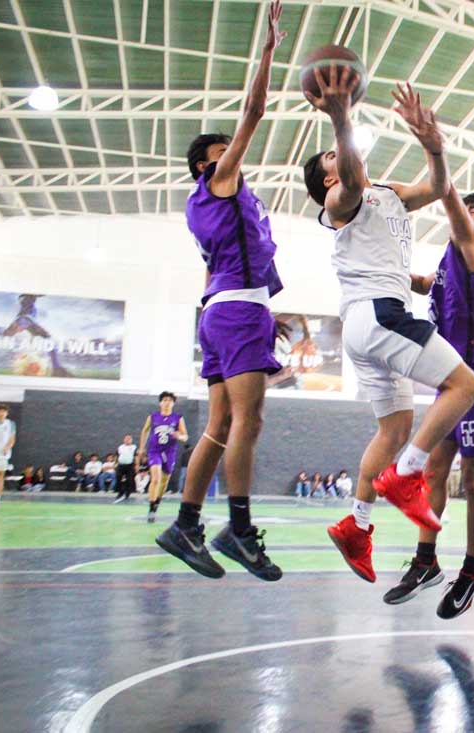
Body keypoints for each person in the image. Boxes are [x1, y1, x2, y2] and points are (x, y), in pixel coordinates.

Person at [303, 74, 474, 590]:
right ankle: (408, 474)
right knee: (466, 386)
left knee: (394, 428)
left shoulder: (387, 194)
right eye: (330, 161)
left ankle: (356, 525)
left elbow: (437, 187)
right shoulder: (339, 203)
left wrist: (434, 147)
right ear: (326, 182)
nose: (339, 160)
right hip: (378, 315)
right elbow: (351, 181)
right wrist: (340, 115)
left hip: (365, 325)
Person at [154, 1, 289, 583]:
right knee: (247, 423)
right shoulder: (220, 182)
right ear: (207, 166)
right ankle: (237, 527)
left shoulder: (202, 209)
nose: (234, 159)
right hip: (235, 313)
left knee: (218, 425)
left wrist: (258, 309)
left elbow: (217, 273)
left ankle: (184, 523)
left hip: (223, 310)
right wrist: (266, 52)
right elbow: (254, 112)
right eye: (222, 155)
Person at [383, 174, 474, 618]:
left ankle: (472, 568)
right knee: (435, 470)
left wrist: (440, 181)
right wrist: (382, 273)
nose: (460, 216)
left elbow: (456, 214)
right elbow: (425, 284)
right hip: (451, 374)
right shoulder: (448, 261)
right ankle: (426, 560)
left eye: (471, 213)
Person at [139, 392, 188, 523]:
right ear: (160, 402)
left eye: (170, 400)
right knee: (155, 479)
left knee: (164, 481)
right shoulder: (153, 416)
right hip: (154, 450)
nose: (167, 402)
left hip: (170, 452)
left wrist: (180, 436)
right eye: (164, 400)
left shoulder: (178, 418)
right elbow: (145, 430)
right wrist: (141, 448)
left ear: (173, 403)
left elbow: (185, 436)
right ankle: (151, 509)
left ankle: (157, 503)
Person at [113, 434, 138, 503]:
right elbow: (117, 455)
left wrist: (137, 465)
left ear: (131, 440)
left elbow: (136, 456)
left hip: (130, 465)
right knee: (118, 478)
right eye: (126, 438)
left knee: (129, 479)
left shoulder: (134, 447)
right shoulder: (120, 447)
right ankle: (120, 492)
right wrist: (115, 463)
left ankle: (127, 493)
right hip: (121, 465)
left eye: (129, 439)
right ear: (124, 439)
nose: (127, 440)